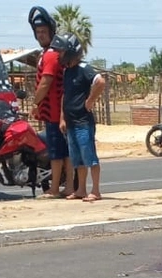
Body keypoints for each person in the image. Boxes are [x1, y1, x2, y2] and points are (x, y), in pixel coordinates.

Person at [28, 8, 70, 198]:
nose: (40, 35)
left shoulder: (51, 55)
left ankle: (55, 189)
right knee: (62, 152)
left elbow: (46, 81)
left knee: (57, 153)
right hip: (51, 113)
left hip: (55, 113)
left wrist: (35, 103)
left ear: (51, 32)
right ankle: (67, 186)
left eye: (43, 32)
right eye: (38, 32)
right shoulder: (45, 54)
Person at [59, 34, 106, 201]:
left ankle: (96, 190)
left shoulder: (84, 69)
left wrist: (90, 100)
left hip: (83, 122)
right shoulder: (67, 72)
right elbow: (65, 95)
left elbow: (100, 82)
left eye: (63, 51)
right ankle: (81, 190)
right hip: (71, 123)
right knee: (76, 158)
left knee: (89, 156)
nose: (60, 54)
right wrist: (62, 118)